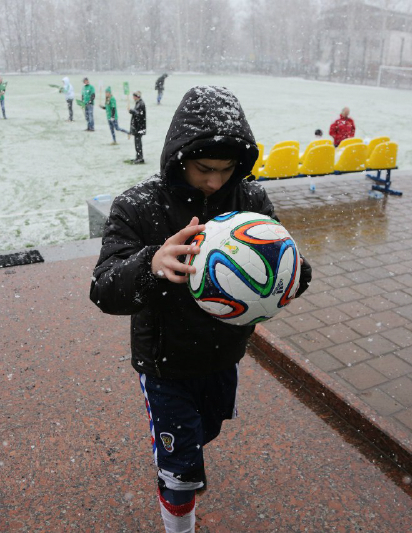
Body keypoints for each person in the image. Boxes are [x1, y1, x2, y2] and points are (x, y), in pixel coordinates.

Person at [90, 85, 312, 533]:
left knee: (206, 430)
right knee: (182, 472)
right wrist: (151, 265)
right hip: (165, 363)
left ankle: (183, 458)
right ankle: (179, 509)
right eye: (205, 169)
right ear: (179, 157)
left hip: (224, 356)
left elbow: (287, 268)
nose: (215, 182)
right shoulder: (138, 205)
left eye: (226, 170)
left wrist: (291, 273)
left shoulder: (250, 200)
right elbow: (103, 288)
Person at [128, 91, 147, 163]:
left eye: (134, 96)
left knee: (138, 143)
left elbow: (139, 114)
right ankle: (138, 156)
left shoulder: (141, 104)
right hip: (138, 127)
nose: (133, 98)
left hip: (139, 127)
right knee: (137, 143)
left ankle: (140, 157)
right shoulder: (138, 103)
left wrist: (132, 111)